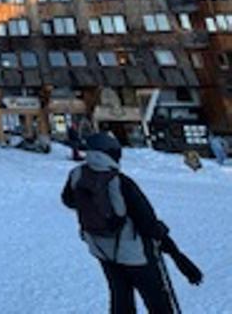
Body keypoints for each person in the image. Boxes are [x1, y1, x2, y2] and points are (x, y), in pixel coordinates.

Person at [61, 133, 203, 313]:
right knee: (157, 300)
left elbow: (68, 200)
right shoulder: (121, 182)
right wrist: (177, 256)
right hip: (136, 254)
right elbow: (149, 225)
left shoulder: (78, 175)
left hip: (102, 250)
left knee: (120, 296)